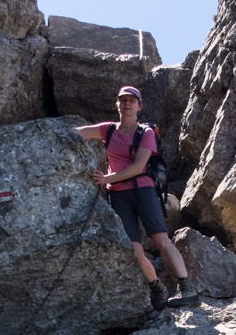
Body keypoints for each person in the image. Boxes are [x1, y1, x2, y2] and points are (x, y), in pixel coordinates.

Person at [76, 86, 199, 309]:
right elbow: (81, 132)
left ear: (139, 106)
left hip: (143, 190)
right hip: (119, 196)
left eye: (132, 100)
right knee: (134, 250)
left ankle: (187, 289)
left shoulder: (145, 132)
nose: (127, 104)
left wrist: (107, 178)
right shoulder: (109, 130)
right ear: (118, 105)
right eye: (123, 100)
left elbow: (138, 166)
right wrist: (53, 133)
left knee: (161, 240)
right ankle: (157, 288)